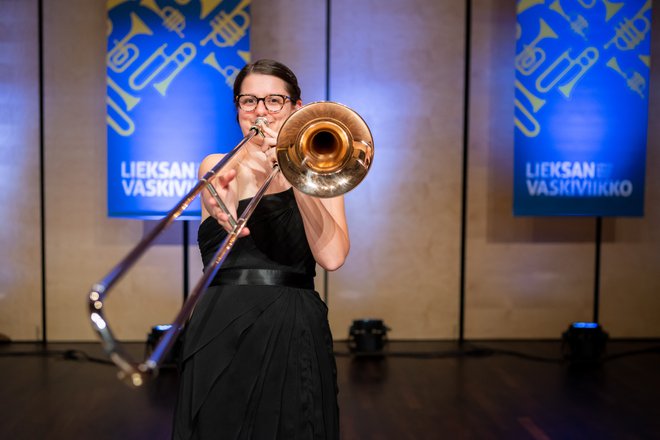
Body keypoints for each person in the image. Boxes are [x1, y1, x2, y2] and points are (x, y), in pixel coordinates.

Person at [172, 59, 348, 439]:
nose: (260, 111)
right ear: (237, 108)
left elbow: (332, 257)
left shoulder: (324, 172)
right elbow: (224, 195)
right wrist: (221, 203)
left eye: (274, 100)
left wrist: (294, 169)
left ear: (296, 108)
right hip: (223, 321)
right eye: (249, 100)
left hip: (294, 323)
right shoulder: (219, 163)